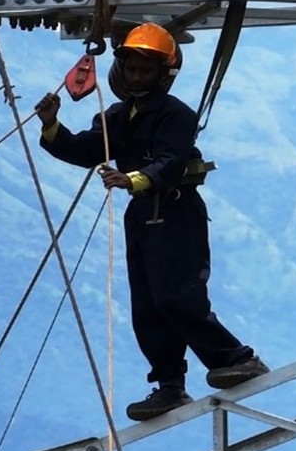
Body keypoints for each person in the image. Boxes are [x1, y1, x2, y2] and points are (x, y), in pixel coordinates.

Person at [34, 22, 268, 421]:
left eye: (146, 71)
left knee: (175, 296)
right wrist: (51, 125)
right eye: (133, 69)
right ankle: (170, 386)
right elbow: (86, 150)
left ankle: (237, 358)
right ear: (122, 70)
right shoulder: (118, 115)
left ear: (164, 74)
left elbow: (171, 162)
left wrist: (132, 179)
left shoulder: (176, 115)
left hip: (176, 210)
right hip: (143, 214)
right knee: (146, 304)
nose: (138, 76)